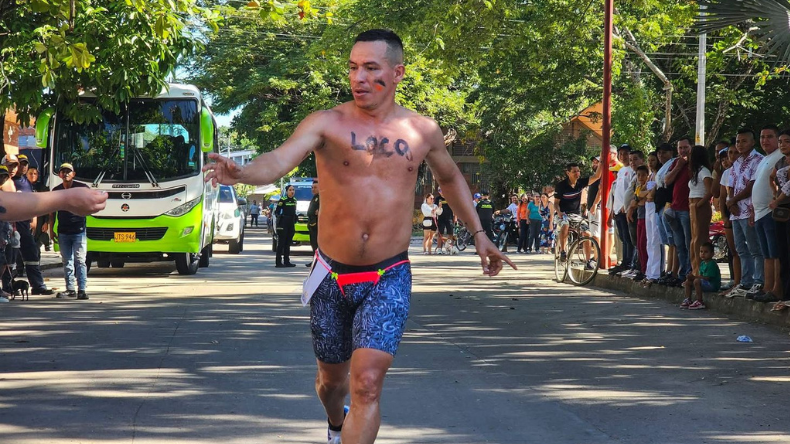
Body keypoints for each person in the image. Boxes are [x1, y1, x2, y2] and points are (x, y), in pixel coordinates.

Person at [201, 29, 514, 444]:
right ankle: (335, 423)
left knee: (366, 383)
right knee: (332, 385)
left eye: (371, 67)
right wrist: (242, 174)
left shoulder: (422, 130)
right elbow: (277, 160)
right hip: (330, 275)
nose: (359, 77)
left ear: (397, 72)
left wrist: (479, 234)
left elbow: (450, 177)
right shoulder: (326, 123)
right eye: (353, 67)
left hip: (389, 275)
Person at [725, 128, 765, 298]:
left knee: (755, 248)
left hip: (749, 210)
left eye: (744, 141)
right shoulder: (737, 161)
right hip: (736, 212)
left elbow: (752, 186)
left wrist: (733, 200)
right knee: (741, 249)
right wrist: (731, 201)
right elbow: (731, 184)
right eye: (737, 141)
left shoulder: (758, 160)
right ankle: (745, 281)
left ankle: (759, 281)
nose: (740, 145)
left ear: (752, 142)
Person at [6, 154, 53, 295]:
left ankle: (37, 285)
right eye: (20, 164)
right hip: (11, 226)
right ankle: (9, 286)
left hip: (25, 225)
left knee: (32, 255)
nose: (23, 166)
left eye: (25, 164)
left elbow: (31, 202)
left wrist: (34, 219)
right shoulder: (7, 181)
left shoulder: (26, 182)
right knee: (11, 258)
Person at [750, 125, 783, 302]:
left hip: (772, 212)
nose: (765, 140)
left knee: (775, 253)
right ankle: (767, 287)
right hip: (759, 213)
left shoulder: (781, 156)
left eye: (770, 137)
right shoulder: (764, 159)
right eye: (762, 137)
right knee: (767, 254)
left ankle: (776, 289)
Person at [50, 163, 90, 300]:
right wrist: (51, 230)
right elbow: (51, 211)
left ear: (74, 174)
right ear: (60, 174)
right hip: (63, 232)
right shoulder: (57, 190)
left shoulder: (81, 188)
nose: (66, 174)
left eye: (69, 171)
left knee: (80, 260)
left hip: (79, 231)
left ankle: (82, 289)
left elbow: (90, 202)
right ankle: (70, 289)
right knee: (67, 261)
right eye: (63, 171)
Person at [554, 162, 602, 262]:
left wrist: (601, 161)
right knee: (565, 224)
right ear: (568, 173)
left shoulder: (581, 183)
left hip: (576, 215)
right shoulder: (561, 186)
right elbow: (556, 203)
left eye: (578, 171)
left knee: (587, 233)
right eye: (574, 171)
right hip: (563, 214)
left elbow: (597, 176)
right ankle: (563, 251)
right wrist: (559, 212)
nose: (577, 173)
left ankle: (588, 261)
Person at [663, 137, 693, 283]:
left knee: (689, 243)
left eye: (685, 147)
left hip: (688, 209)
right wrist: (678, 167)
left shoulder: (695, 163)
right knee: (679, 244)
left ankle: (689, 273)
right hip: (674, 208)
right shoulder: (676, 162)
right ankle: (682, 275)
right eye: (680, 148)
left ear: (691, 147)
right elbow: (667, 181)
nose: (683, 150)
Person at [769, 129, 790, 310]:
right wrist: (775, 197)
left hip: (786, 206)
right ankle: (784, 295)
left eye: (786, 141)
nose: (783, 144)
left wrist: (778, 200)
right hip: (781, 211)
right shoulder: (781, 161)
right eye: (781, 141)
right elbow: (772, 177)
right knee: (782, 253)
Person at [687, 145, 713, 276]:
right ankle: (694, 267)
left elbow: (710, 191)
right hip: (693, 205)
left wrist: (698, 205)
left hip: (699, 206)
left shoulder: (704, 171)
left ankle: (700, 269)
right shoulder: (695, 172)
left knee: (699, 238)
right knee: (693, 239)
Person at [681, 241, 721, 310]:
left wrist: (694, 277)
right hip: (705, 283)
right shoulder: (702, 263)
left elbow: (707, 278)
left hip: (712, 285)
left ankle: (700, 301)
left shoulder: (712, 264)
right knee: (688, 282)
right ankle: (688, 299)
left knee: (696, 281)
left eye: (706, 252)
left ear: (712, 254)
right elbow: (701, 275)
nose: (703, 254)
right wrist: (691, 278)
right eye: (701, 251)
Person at [275, 185, 297, 268]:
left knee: (288, 243)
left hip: (291, 223)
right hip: (283, 222)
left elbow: (293, 211)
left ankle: (287, 261)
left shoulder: (294, 200)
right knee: (281, 243)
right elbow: (277, 211)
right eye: (290, 190)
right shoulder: (283, 200)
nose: (292, 191)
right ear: (287, 191)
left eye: (293, 190)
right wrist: (281, 219)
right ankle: (278, 262)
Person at [434, 187, 455, 254]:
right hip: (441, 218)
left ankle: (449, 248)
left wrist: (455, 217)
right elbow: (435, 208)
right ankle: (439, 248)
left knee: (450, 233)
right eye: (440, 190)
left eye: (443, 190)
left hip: (449, 217)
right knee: (440, 233)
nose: (441, 192)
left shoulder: (450, 197)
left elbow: (455, 207)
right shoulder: (437, 199)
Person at [306, 179, 320, 266]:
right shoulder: (314, 197)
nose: (313, 189)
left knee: (317, 245)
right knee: (313, 244)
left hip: (317, 225)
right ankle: (315, 260)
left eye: (315, 187)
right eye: (312, 187)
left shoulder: (321, 197)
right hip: (312, 224)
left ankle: (317, 262)